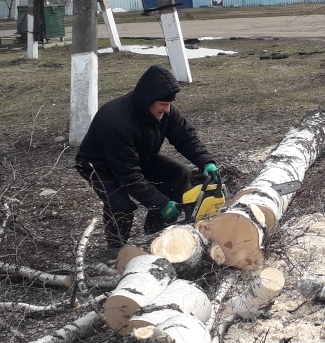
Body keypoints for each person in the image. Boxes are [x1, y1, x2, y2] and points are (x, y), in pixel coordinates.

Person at [75, 64, 219, 248]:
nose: (167, 109)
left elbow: (185, 137)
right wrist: (161, 203)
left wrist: (206, 161)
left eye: (170, 104)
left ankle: (154, 232)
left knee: (179, 173)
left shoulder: (165, 111)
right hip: (99, 166)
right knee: (121, 206)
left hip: (136, 157)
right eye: (163, 105)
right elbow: (128, 176)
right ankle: (115, 248)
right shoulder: (117, 122)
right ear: (147, 100)